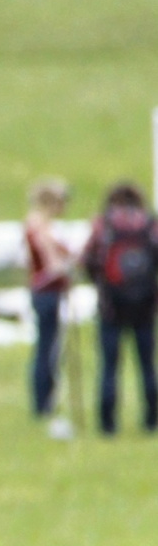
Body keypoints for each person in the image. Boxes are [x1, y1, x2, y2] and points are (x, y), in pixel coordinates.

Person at [82, 183, 158, 436]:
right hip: (145, 307)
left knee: (109, 365)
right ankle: (151, 419)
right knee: (147, 365)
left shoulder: (104, 225)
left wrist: (101, 286)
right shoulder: (148, 225)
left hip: (111, 306)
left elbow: (89, 261)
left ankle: (107, 423)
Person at [23, 179, 74, 431]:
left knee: (48, 346)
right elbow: (51, 262)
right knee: (47, 347)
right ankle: (43, 401)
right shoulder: (39, 225)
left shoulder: (41, 225)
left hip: (45, 291)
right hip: (46, 292)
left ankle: (45, 399)